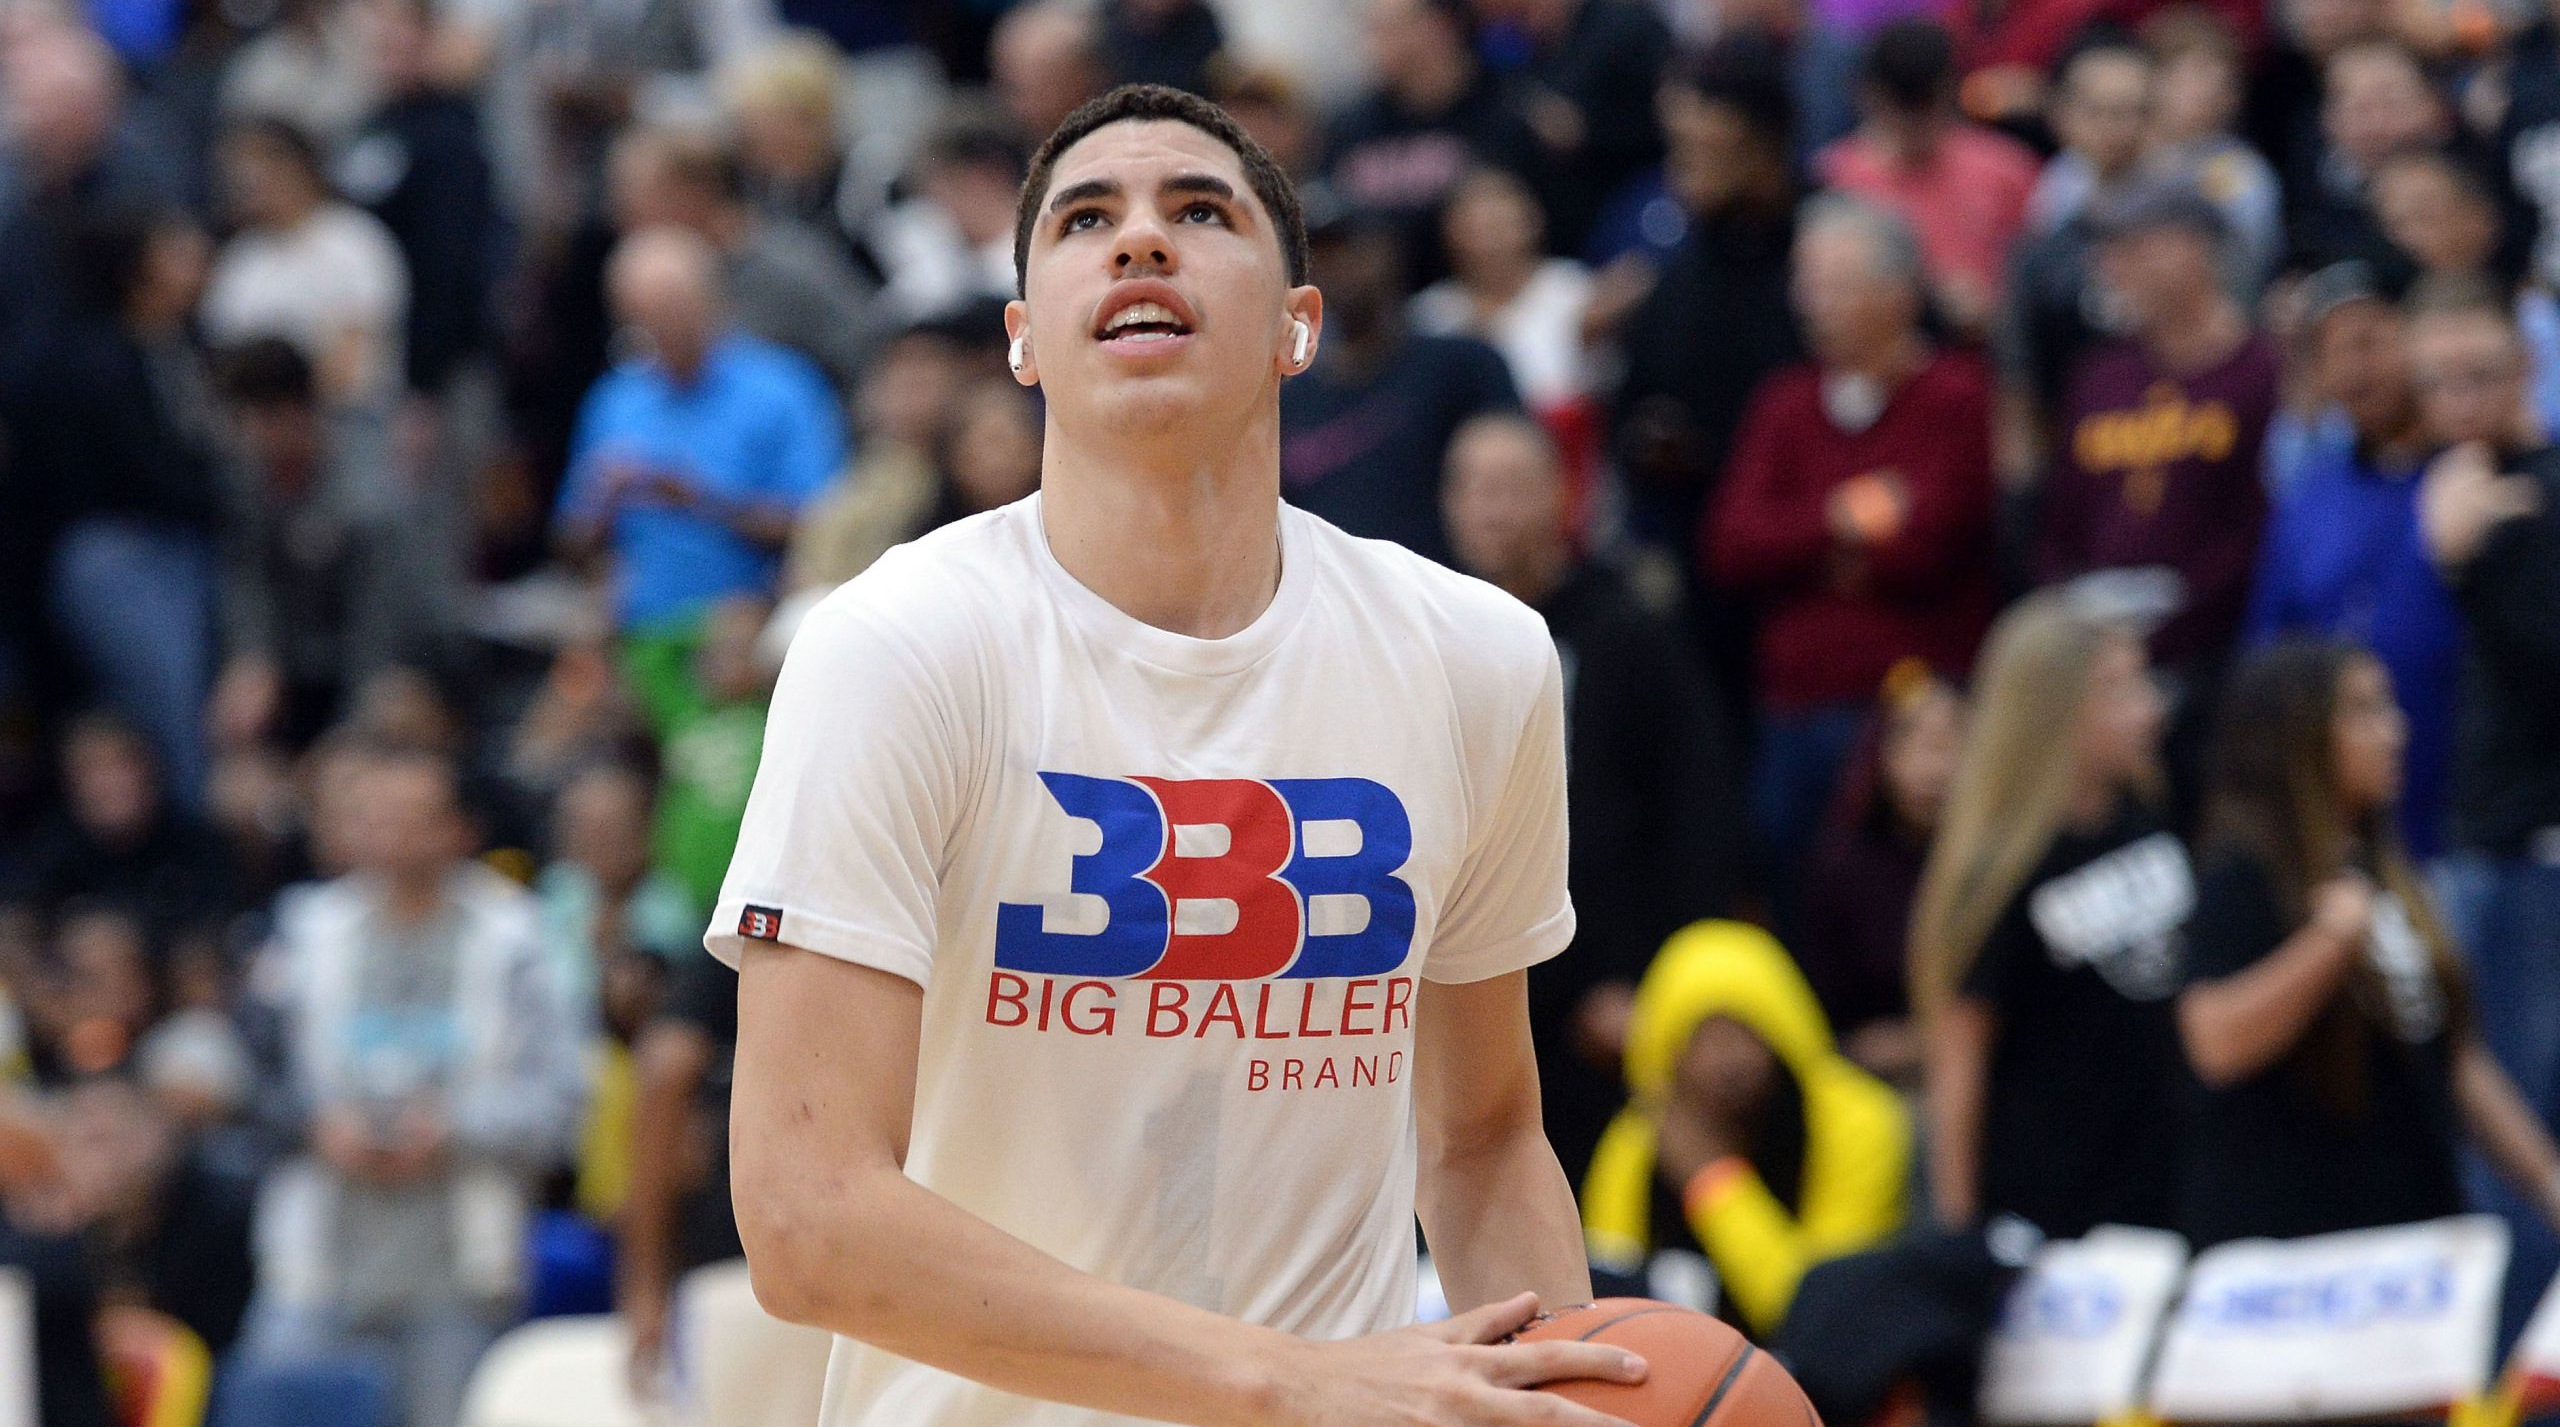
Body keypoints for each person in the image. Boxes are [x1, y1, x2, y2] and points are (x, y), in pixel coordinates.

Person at [716, 83, 1647, 1426]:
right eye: (1089, 218)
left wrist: (1570, 1390)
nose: (1140, 241)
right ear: (1023, 339)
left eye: (1199, 212)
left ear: (1297, 325)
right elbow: (805, 1218)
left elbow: (1487, 1137)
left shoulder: (1474, 656)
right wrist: (1287, 1377)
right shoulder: (897, 648)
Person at [236, 744, 584, 1427]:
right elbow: (250, 1081)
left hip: (458, 1271)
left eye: (412, 816)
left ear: (459, 829)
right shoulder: (304, 931)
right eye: (373, 814)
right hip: (317, 1263)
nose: (387, 832)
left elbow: (565, 1099)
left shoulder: (518, 938)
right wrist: (318, 1124)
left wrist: (456, 1126)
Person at [2176, 640, 2560, 1247]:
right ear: (2296, 736)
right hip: (2303, 1256)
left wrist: (2546, 1177)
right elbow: (2214, 1042)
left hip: (2414, 1228)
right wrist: (2328, 945)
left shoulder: (2381, 866)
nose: (2395, 731)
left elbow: (2451, 1053)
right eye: (2364, 711)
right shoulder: (2244, 871)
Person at [1442, 412, 1743, 1184]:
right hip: (1459, 979)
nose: (1489, 508)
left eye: (1510, 487)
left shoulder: (1629, 632)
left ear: (1563, 496)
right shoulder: (1424, 636)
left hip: (1600, 995)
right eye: (1470, 488)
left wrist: (1650, 980)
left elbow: (1694, 812)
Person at [1709, 194, 1998, 898]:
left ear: (1898, 294)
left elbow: (1925, 550)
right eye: (1806, 285)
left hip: (1909, 715)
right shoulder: (1784, 402)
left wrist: (1800, 545)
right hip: (1791, 709)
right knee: (1791, 892)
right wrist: (1847, 517)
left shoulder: (1955, 397)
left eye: (1834, 285)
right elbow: (1731, 545)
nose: (1811, 304)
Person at [1909, 591, 2189, 1237]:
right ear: (2053, 710)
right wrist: (1962, 1243)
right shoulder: (1996, 874)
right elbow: (1958, 1073)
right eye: (2119, 688)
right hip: (2055, 1221)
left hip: (2172, 1191)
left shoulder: (2148, 823)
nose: (2148, 708)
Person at [2411, 274, 2560, 1339]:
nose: (2458, 398)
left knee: (2520, 1135)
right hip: (2468, 840)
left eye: (2479, 373)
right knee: (2498, 1132)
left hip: (2535, 853)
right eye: (2438, 380)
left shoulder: (2526, 495)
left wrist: (2470, 561)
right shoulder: (2456, 482)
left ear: (2527, 369)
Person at [1581, 920, 1909, 1338]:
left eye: (1749, 1033)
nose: (1731, 1061)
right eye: (1706, 1038)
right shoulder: (1643, 1133)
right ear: (1667, 1054)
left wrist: (1713, 1182)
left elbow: (1824, 1320)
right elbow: (1606, 1300)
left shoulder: (1859, 1120)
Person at [2246, 264, 2462, 859]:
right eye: (2331, 352)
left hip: (2476, 807)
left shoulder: (2472, 470)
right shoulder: (2308, 498)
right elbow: (2271, 649)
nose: (2355, 367)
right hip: (2352, 826)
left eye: (2369, 341)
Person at [2033, 175, 2278, 691]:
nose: (2111, 269)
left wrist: (2177, 614)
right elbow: (2061, 520)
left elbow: (2260, 523)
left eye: (2131, 249)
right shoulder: (2098, 378)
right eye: (2106, 253)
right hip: (2099, 660)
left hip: (2218, 661)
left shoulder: (2261, 372)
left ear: (2193, 251)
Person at [552, 227, 845, 638]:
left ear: (712, 302)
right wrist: (600, 502)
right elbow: (571, 544)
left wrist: (702, 502)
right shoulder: (617, 399)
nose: (660, 332)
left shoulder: (783, 388)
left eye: (672, 313)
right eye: (643, 319)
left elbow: (822, 525)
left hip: (746, 618)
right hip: (633, 625)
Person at [1279, 206, 1520, 564]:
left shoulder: (1462, 365)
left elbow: (1519, 480)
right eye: (1323, 258)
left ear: (1389, 253)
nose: (1338, 269)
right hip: (1336, 605)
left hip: (1450, 593)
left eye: (1352, 251)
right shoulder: (1287, 398)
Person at [607, 124, 885, 394]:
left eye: (637, 205)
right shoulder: (658, 282)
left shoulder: (791, 270)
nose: (625, 222)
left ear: (692, 195)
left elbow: (870, 356)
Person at [1814, 19, 2040, 338]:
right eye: (1900, 107)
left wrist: (1998, 309)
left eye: (1925, 106)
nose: (1912, 124)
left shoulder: (2007, 170)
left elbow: (2039, 282)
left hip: (1983, 353)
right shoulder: (1835, 178)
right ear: (1869, 97)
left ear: (1949, 93)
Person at [1798, 662, 1962, 1083]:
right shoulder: (1842, 867)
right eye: (1912, 742)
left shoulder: (2007, 860)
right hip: (1880, 1087)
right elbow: (1828, 1030)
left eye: (1949, 742)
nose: (1933, 768)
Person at [1323, 0, 1541, 288]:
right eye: (1370, 29)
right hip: (1384, 307)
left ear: (1439, 26)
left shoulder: (1503, 111)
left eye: (1388, 29)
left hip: (1480, 296)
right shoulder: (1351, 125)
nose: (1371, 43)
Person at [199, 117, 408, 410]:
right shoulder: (239, 257)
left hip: (343, 424)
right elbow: (221, 359)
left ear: (298, 167)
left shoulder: (353, 242)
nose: (247, 181)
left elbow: (355, 361)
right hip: (255, 429)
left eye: (261, 167)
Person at [1410, 168, 1596, 427]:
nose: (1494, 241)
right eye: (1480, 228)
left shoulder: (1572, 288)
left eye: (1503, 224)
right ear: (1450, 233)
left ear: (1534, 221)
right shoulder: (1430, 314)